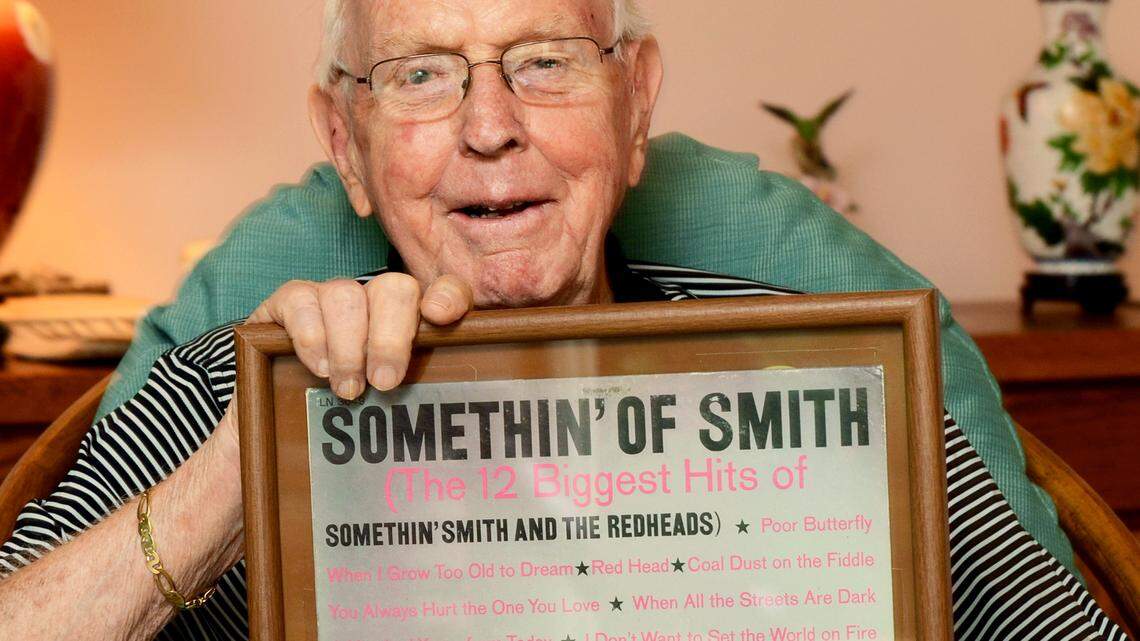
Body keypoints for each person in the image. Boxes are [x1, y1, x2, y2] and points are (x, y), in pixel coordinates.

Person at [0, 1, 1127, 640]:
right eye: (424, 75)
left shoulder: (834, 382)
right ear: (345, 143)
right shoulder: (224, 393)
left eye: (543, 62)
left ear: (635, 106)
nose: (490, 127)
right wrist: (241, 467)